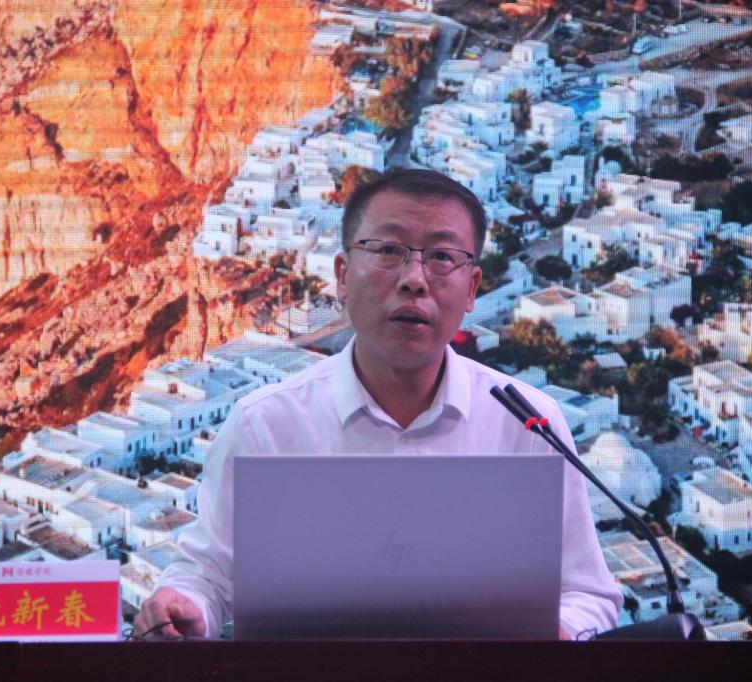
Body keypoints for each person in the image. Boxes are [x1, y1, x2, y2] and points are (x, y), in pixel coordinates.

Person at [133, 169, 623, 639]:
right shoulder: (265, 424)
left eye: (442, 257)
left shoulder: (527, 423)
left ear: (472, 288)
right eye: (388, 250)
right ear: (343, 276)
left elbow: (587, 592)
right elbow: (208, 575)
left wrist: (560, 632)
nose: (414, 279)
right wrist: (183, 605)